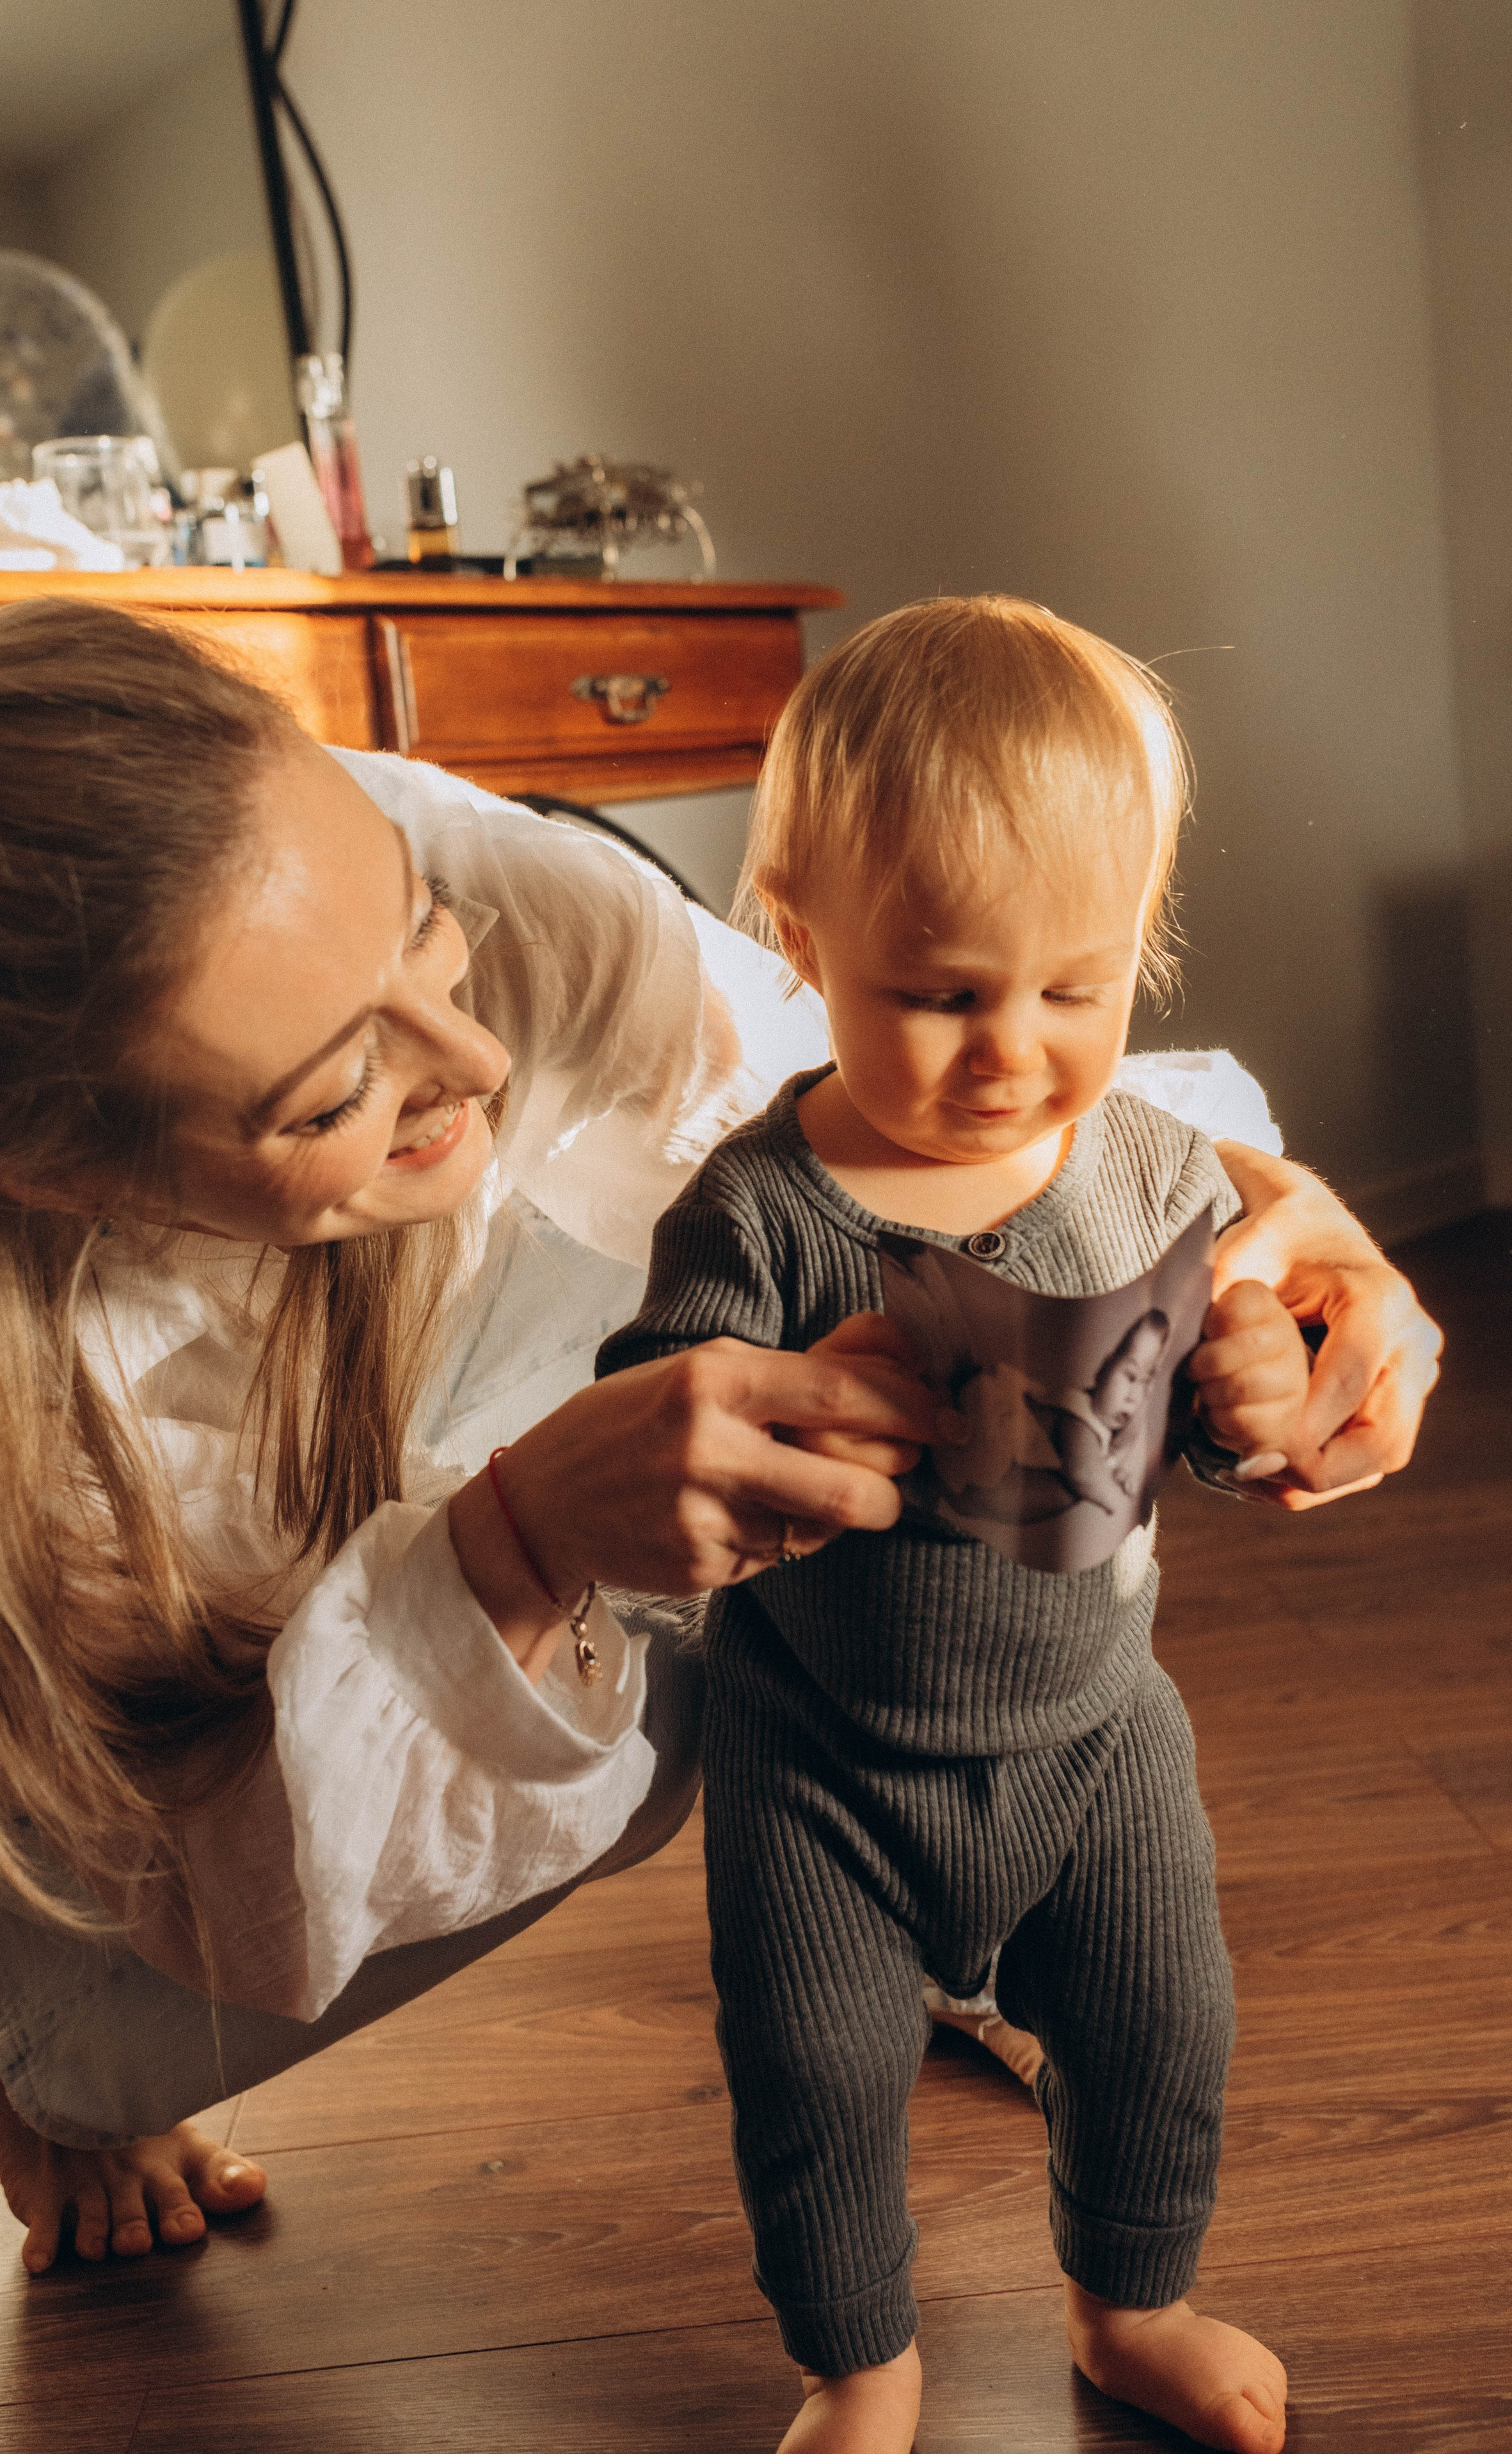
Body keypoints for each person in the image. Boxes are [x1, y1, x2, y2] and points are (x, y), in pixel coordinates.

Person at [0, 602, 1437, 2326]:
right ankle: (6, 1978)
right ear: (47, 1172)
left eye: (428, 937)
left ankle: (966, 1908)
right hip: (114, 1704)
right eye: (332, 1096)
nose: (476, 1061)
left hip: (457, 1355)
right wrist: (526, 1540)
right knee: (649, 1702)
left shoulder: (425, 884)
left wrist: (1280, 1232)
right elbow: (233, 1869)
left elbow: (873, 1094)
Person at [595, 597, 1346, 2454]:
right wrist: (785, 1394)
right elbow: (655, 1423)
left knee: (1165, 2025)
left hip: (1096, 1737)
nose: (1013, 1049)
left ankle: (1131, 2303)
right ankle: (860, 2363)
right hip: (823, 1758)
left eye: (1074, 990)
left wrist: (1255, 1390)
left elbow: (1206, 1427)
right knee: (814, 2076)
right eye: (943, 994)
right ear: (804, 939)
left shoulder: (1156, 1173)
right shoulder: (761, 1206)